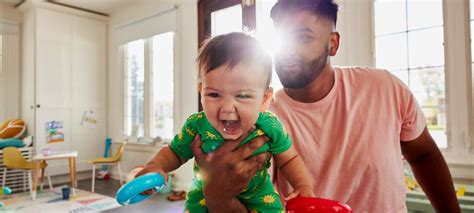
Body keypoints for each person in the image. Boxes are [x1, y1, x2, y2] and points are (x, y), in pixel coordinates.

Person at [192, 0, 462, 212]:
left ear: (333, 43)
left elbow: (424, 156)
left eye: (304, 37)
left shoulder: (385, 88)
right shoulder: (260, 117)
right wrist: (217, 196)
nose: (287, 50)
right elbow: (251, 204)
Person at [136, 32, 314, 212]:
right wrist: (155, 166)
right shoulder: (196, 125)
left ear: (264, 99)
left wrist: (303, 185)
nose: (227, 108)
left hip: (260, 199)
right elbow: (174, 153)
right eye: (214, 95)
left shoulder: (270, 125)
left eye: (242, 96)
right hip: (204, 199)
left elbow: (289, 158)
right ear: (201, 90)